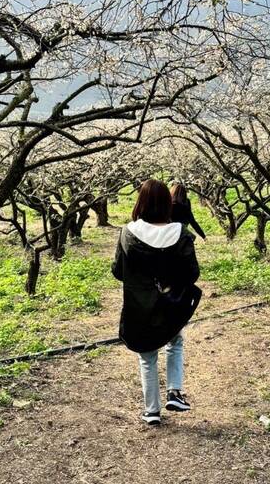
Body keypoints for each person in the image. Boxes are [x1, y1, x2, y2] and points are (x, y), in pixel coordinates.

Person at [111, 179, 202, 425]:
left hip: (139, 305)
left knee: (147, 357)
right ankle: (174, 391)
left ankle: (152, 411)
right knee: (175, 342)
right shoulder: (180, 234)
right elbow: (192, 273)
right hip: (171, 303)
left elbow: (118, 271)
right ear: (167, 204)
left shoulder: (128, 233)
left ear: (140, 201)